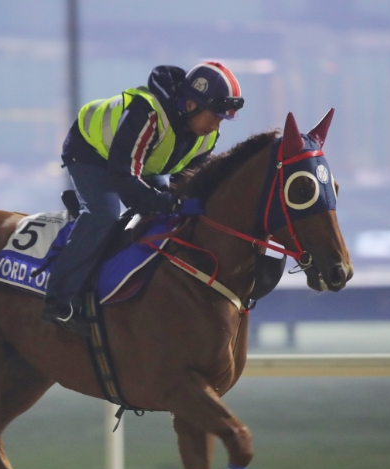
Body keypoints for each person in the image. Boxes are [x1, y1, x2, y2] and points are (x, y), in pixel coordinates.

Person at [42, 61, 245, 335]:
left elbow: (185, 182)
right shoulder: (148, 112)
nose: (216, 125)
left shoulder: (206, 135)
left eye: (221, 118)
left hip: (142, 162)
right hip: (90, 151)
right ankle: (59, 298)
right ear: (190, 105)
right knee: (105, 215)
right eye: (214, 115)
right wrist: (169, 202)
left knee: (167, 209)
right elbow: (124, 176)